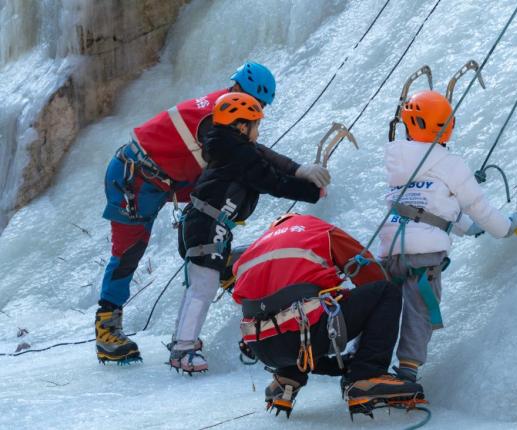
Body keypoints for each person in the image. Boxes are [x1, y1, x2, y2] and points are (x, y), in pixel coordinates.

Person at [95, 62, 331, 364]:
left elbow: (252, 153)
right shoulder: (216, 119)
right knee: (129, 250)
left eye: (259, 107)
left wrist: (298, 170)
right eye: (254, 104)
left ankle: (217, 265)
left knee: (217, 204)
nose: (255, 112)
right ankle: (107, 326)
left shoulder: (226, 113)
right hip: (135, 179)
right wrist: (299, 178)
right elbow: (254, 163)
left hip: (164, 178)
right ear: (236, 91)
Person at [170, 92, 323, 373]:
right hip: (207, 226)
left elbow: (268, 159)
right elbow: (271, 180)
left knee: (201, 285)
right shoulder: (238, 153)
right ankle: (183, 347)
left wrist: (300, 171)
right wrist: (312, 192)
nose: (258, 130)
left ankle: (183, 340)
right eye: (255, 124)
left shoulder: (231, 148)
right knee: (203, 287)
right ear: (241, 126)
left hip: (204, 224)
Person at [378, 90, 517, 384]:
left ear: (409, 124)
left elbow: (429, 200)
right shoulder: (450, 162)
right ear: (447, 125)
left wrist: (467, 227)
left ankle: (365, 366)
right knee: (419, 308)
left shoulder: (397, 158)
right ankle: (407, 372)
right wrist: (505, 228)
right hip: (425, 251)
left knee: (382, 307)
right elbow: (478, 207)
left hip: (390, 246)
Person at [231, 213, 424, 419]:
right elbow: (371, 275)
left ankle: (287, 379)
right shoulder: (318, 230)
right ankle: (366, 375)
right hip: (305, 335)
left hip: (262, 348)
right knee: (385, 292)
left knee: (295, 315)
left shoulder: (253, 249)